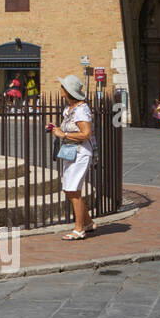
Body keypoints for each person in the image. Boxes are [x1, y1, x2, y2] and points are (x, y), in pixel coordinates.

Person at [49, 74, 96, 239]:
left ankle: (79, 229)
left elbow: (86, 134)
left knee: (73, 189)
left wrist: (63, 134)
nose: (60, 89)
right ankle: (88, 222)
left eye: (63, 87)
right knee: (69, 189)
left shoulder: (82, 110)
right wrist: (57, 130)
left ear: (68, 91)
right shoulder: (69, 109)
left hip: (80, 152)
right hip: (70, 151)